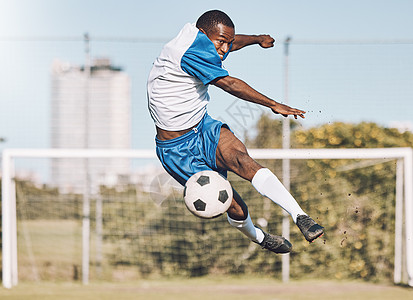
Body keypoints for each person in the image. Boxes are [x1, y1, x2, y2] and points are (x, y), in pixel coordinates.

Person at [147, 10, 324, 254]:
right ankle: (259, 237)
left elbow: (230, 41)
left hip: (203, 127)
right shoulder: (189, 52)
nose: (224, 49)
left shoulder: (203, 37)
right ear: (203, 34)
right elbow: (230, 84)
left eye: (227, 43)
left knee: (242, 160)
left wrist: (256, 38)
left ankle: (300, 216)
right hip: (176, 149)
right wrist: (273, 103)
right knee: (235, 207)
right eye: (220, 42)